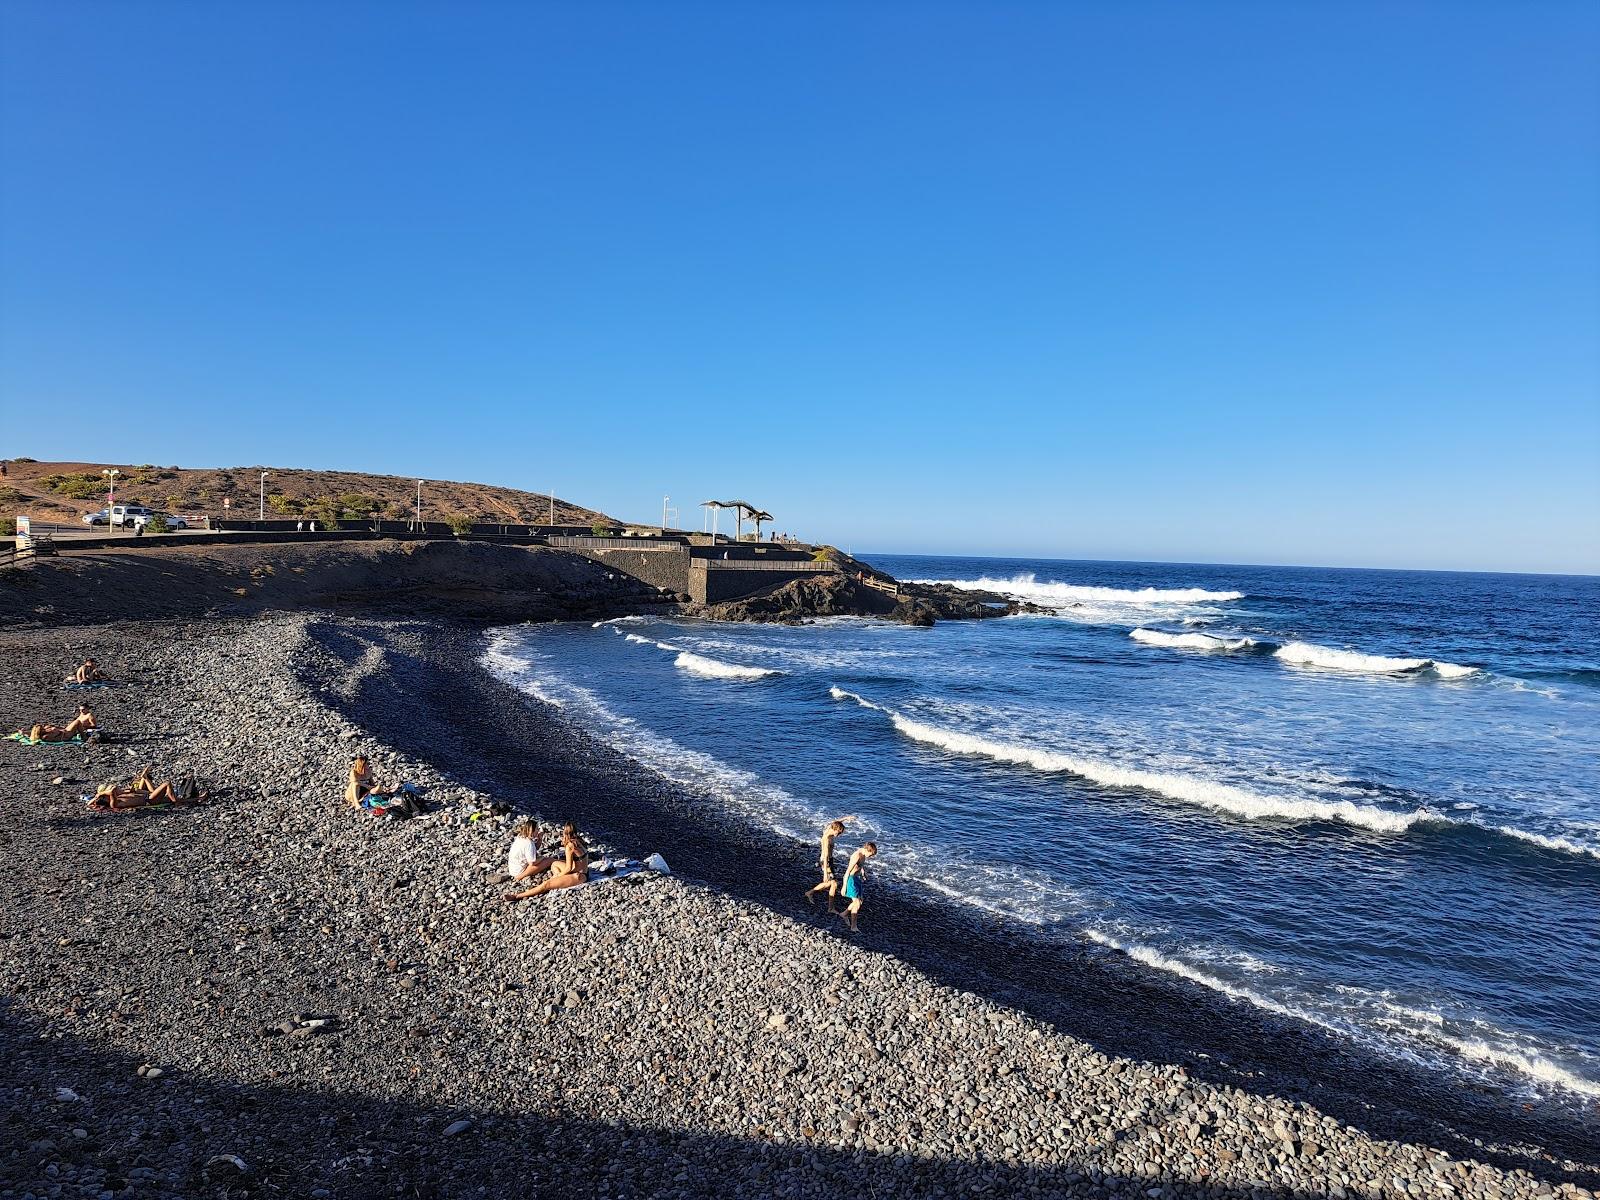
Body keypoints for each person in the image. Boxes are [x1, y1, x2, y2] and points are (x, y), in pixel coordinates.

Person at [503, 823, 589, 900]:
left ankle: (517, 896)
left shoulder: (570, 846)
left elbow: (568, 868)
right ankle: (558, 879)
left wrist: (558, 876)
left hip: (579, 876)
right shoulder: (579, 841)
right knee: (554, 863)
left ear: (565, 833)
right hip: (583, 870)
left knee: (546, 884)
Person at [804, 817, 855, 911]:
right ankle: (830, 908)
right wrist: (825, 873)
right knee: (833, 883)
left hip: (828, 860)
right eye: (838, 832)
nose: (839, 835)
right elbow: (826, 855)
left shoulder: (829, 828)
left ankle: (810, 893)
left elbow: (835, 822)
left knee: (830, 883)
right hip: (826, 861)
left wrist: (847, 818)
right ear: (834, 829)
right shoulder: (827, 839)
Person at [837, 841, 878, 933]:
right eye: (870, 855)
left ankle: (844, 914)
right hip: (851, 880)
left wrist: (863, 872)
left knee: (860, 900)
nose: (871, 857)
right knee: (857, 903)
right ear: (867, 850)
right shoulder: (857, 856)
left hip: (857, 878)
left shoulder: (863, 854)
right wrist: (844, 887)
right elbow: (847, 872)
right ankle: (853, 926)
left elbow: (860, 865)